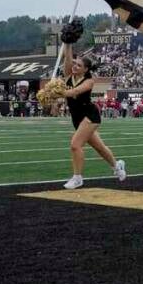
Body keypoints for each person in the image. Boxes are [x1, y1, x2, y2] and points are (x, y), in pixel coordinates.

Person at [59, 20, 126, 190]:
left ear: (85, 69)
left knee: (75, 145)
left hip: (90, 116)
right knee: (99, 147)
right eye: (75, 63)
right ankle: (117, 167)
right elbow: (67, 56)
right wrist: (67, 42)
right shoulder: (69, 74)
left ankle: (77, 177)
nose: (74, 66)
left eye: (79, 65)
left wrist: (55, 91)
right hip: (77, 118)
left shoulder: (89, 81)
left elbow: (73, 93)